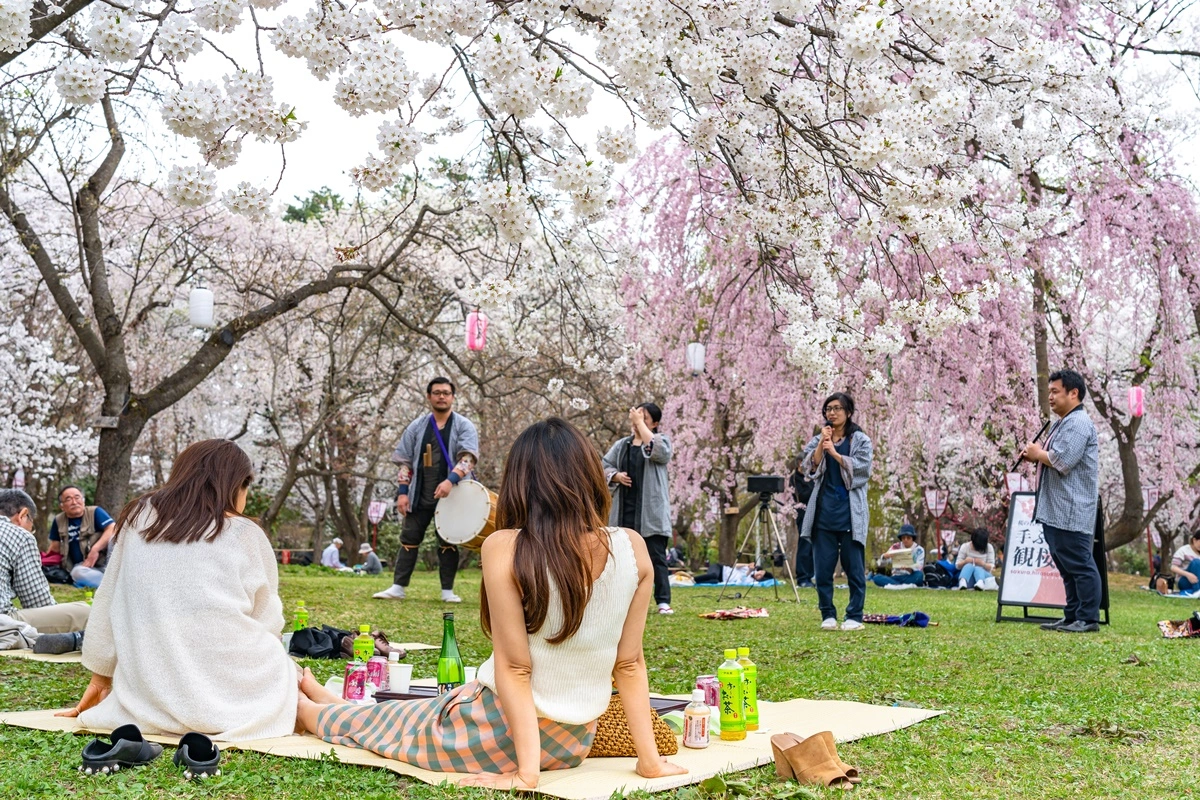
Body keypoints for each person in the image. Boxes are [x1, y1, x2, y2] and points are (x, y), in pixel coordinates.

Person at [296, 418, 687, 790]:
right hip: (571, 745)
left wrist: (525, 774)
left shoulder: (505, 546)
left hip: (488, 731)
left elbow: (515, 670)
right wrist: (649, 761)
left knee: (370, 725)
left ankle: (309, 706)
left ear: (521, 483)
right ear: (588, 477)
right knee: (386, 718)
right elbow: (630, 664)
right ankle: (334, 702)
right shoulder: (634, 547)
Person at [58, 439, 297, 740]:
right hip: (235, 694)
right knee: (288, 671)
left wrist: (100, 675)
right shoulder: (245, 533)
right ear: (235, 485)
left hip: (150, 693)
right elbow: (268, 620)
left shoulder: (137, 517)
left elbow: (109, 599)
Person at [375, 377, 480, 603]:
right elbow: (405, 462)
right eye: (436, 392)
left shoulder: (464, 425)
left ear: (452, 397)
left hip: (453, 495)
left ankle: (447, 591)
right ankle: (397, 587)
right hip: (420, 493)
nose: (441, 396)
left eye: (445, 393)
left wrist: (450, 480)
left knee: (448, 542)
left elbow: (468, 458)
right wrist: (402, 492)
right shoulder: (417, 426)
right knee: (409, 538)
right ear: (429, 397)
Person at [1021, 369, 1102, 633]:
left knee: (1079, 564)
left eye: (1055, 391)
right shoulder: (1062, 422)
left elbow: (1063, 461)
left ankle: (1088, 619)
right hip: (1057, 509)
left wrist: (1038, 453)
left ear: (1073, 393)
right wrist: (1037, 455)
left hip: (1072, 509)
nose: (1051, 397)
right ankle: (1072, 615)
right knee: (1067, 567)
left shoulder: (1078, 422)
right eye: (1050, 391)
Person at [799, 392, 874, 631]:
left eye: (837, 408)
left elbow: (863, 470)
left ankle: (854, 615)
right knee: (823, 569)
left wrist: (836, 454)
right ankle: (827, 614)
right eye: (828, 409)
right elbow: (808, 467)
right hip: (824, 512)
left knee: (854, 568)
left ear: (848, 412)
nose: (832, 412)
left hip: (851, 512)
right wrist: (823, 444)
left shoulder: (860, 440)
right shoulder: (820, 438)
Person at [602, 403, 674, 615]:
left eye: (644, 417)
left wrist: (641, 425)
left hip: (651, 513)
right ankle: (621, 601)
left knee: (656, 557)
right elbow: (604, 464)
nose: (637, 421)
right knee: (621, 558)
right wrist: (615, 476)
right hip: (625, 511)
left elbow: (658, 452)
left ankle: (663, 601)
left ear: (655, 423)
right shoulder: (622, 445)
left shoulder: (661, 441)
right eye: (637, 416)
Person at [0, 489, 90, 635]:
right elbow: (38, 603)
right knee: (85, 612)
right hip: (3, 624)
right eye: (31, 527)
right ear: (23, 514)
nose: (30, 531)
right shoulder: (20, 535)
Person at [47, 485, 116, 588]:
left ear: (83, 500)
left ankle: (112, 581)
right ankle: (111, 586)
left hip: (107, 564)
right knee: (76, 573)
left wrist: (95, 550)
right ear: (62, 506)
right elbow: (54, 548)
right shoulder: (58, 521)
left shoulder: (95, 512)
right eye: (68, 499)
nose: (74, 502)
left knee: (113, 539)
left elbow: (112, 528)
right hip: (85, 568)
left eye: (77, 497)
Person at [789, 455, 816, 588]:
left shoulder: (812, 476)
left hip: (816, 514)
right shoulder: (794, 479)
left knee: (813, 547)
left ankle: (810, 576)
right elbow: (801, 496)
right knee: (805, 545)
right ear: (799, 463)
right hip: (803, 514)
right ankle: (802, 577)